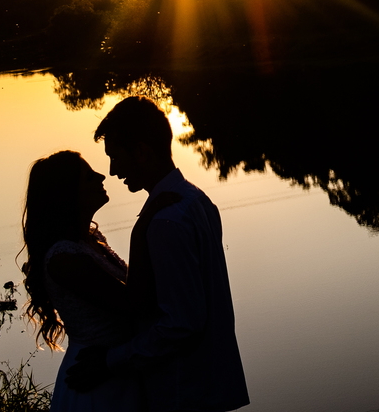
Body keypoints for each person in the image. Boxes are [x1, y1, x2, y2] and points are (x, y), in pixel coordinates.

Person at [66, 95, 250, 412]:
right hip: (207, 385)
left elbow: (181, 323)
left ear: (141, 152)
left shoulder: (165, 221)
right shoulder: (197, 200)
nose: (111, 170)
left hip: (183, 391)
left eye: (115, 156)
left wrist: (111, 360)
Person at [21, 150, 156, 412]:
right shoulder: (64, 258)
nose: (101, 176)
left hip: (115, 368)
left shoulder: (90, 240)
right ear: (68, 193)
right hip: (94, 380)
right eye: (89, 176)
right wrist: (144, 227)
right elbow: (132, 302)